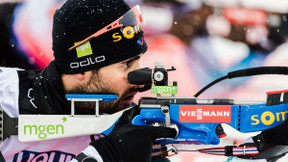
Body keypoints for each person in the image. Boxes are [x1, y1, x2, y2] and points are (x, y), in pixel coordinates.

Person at [0, 0, 177, 161]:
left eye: (138, 61)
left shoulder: (120, 125)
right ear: (81, 69)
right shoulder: (4, 96)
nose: (140, 82)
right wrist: (103, 156)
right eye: (126, 65)